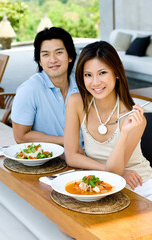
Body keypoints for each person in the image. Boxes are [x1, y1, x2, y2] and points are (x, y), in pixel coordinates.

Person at [64, 40, 152, 201]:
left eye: (102, 73)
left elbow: (114, 171)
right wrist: (108, 170)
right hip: (101, 181)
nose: (95, 82)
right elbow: (71, 156)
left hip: (139, 184)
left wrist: (124, 133)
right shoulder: (76, 102)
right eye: (88, 75)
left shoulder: (134, 117)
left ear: (117, 72)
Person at [11, 27, 83, 150]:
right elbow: (21, 137)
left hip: (88, 156)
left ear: (70, 56)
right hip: (50, 161)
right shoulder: (29, 90)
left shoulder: (84, 85)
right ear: (39, 61)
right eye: (45, 54)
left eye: (59, 52)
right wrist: (65, 141)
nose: (53, 60)